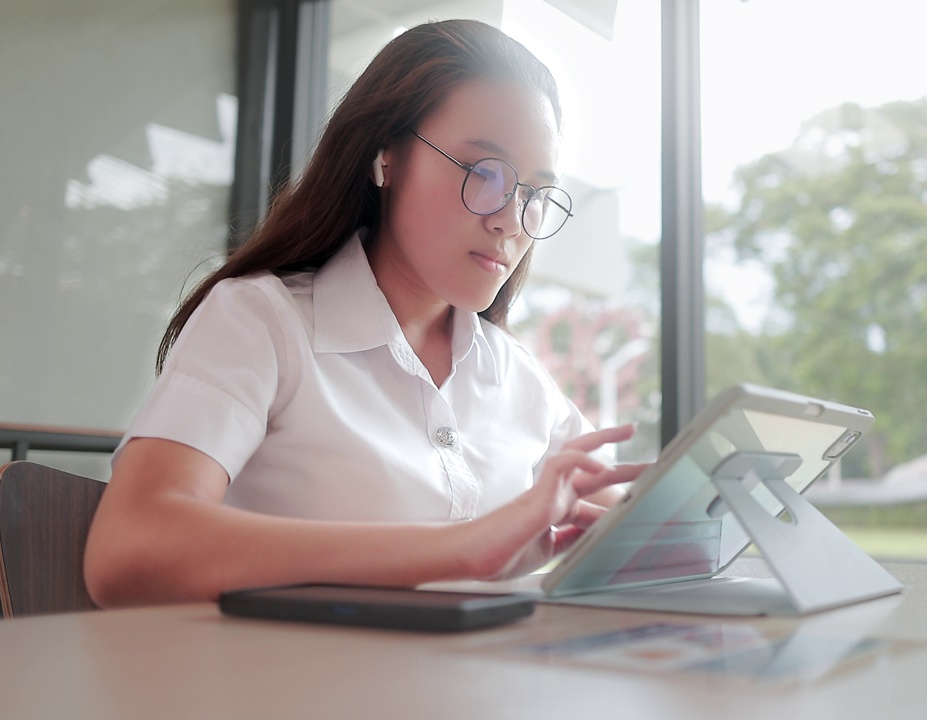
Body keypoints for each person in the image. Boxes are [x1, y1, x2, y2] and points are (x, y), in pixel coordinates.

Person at [83, 19, 644, 607]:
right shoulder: (263, 322)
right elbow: (131, 548)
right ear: (386, 157)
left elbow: (632, 529)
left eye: (533, 193)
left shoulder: (516, 376)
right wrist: (464, 548)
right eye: (484, 174)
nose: (510, 219)